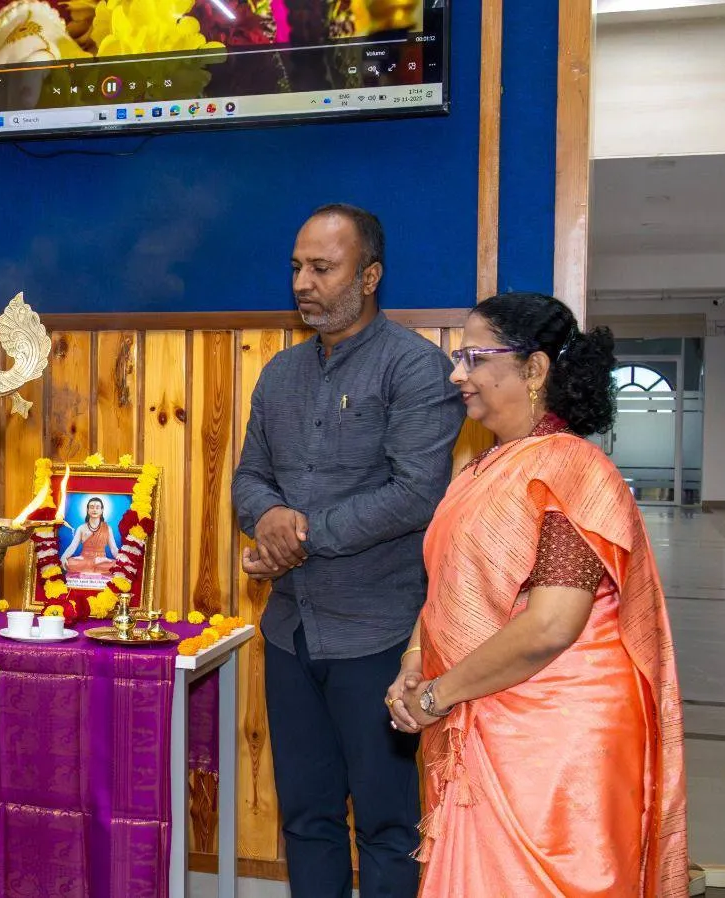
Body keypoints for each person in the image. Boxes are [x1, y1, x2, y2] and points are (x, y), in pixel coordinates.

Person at [385, 292, 688, 896]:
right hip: (480, 711)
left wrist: (439, 695)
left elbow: (551, 625)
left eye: (474, 357)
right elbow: (447, 585)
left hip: (554, 743)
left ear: (534, 369)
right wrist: (414, 663)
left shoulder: (571, 470)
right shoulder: (482, 467)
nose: (457, 374)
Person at [231, 203, 465, 898]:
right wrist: (268, 515)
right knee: (306, 818)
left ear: (369, 276)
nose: (302, 283)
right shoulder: (279, 373)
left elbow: (416, 494)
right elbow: (248, 478)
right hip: (290, 631)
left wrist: (297, 536)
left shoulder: (416, 369)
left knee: (389, 825)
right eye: (296, 267)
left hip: (379, 635)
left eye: (322, 268)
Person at [60, 496, 119, 581]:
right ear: (87, 510)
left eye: (97, 507)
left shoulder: (107, 528)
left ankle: (92, 569)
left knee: (117, 565)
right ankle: (93, 569)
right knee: (68, 562)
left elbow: (113, 548)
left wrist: (121, 559)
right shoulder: (81, 528)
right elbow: (72, 547)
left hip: (101, 560)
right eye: (91, 507)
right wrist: (64, 557)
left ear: (102, 510)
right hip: (84, 560)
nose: (94, 510)